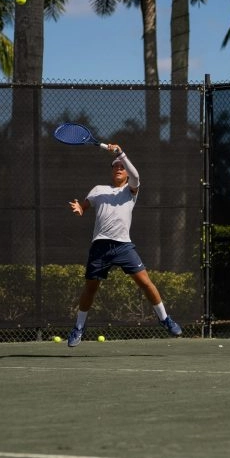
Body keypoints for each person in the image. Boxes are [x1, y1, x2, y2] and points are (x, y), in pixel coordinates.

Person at [66, 143, 182, 347]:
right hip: (100, 246)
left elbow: (136, 176)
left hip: (123, 246)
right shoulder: (99, 190)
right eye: (116, 166)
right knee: (90, 288)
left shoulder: (131, 191)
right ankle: (79, 328)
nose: (119, 168)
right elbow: (84, 206)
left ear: (126, 173)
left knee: (146, 283)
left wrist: (121, 154)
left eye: (122, 166)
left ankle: (164, 319)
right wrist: (79, 208)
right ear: (112, 171)